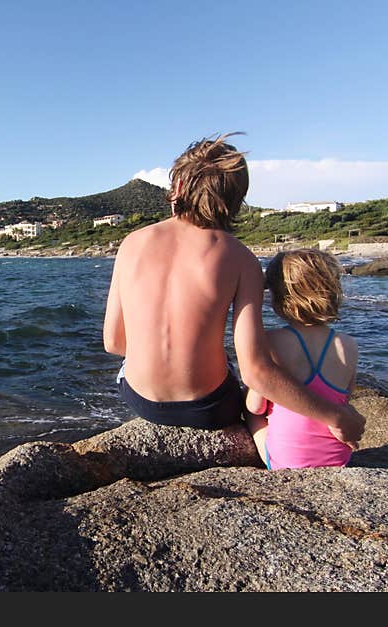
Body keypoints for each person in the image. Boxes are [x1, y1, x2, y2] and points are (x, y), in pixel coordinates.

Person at [102, 133, 364, 444]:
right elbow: (255, 371)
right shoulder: (242, 259)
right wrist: (335, 415)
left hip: (139, 399)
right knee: (252, 397)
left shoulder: (132, 243)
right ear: (236, 199)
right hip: (207, 409)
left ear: (179, 188)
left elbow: (114, 343)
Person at [244, 249, 359, 469]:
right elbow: (346, 396)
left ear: (279, 297)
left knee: (252, 415)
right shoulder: (348, 344)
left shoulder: (272, 341)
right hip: (338, 459)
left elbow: (256, 407)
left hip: (288, 461)